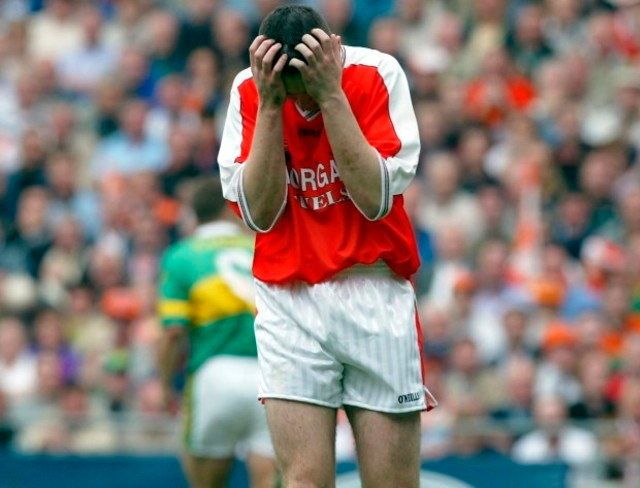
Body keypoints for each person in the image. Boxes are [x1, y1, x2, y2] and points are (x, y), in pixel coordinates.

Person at [217, 5, 434, 488]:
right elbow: (260, 214)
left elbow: (375, 200)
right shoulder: (249, 89)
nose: (301, 101)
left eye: (304, 87)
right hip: (287, 295)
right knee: (303, 481)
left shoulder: (377, 72)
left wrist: (330, 94)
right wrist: (272, 105)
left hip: (372, 288)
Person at [157, 178, 276, 488]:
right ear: (229, 210)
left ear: (194, 214)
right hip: (268, 377)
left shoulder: (181, 256)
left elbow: (173, 333)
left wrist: (166, 384)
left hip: (213, 375)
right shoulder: (259, 246)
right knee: (268, 478)